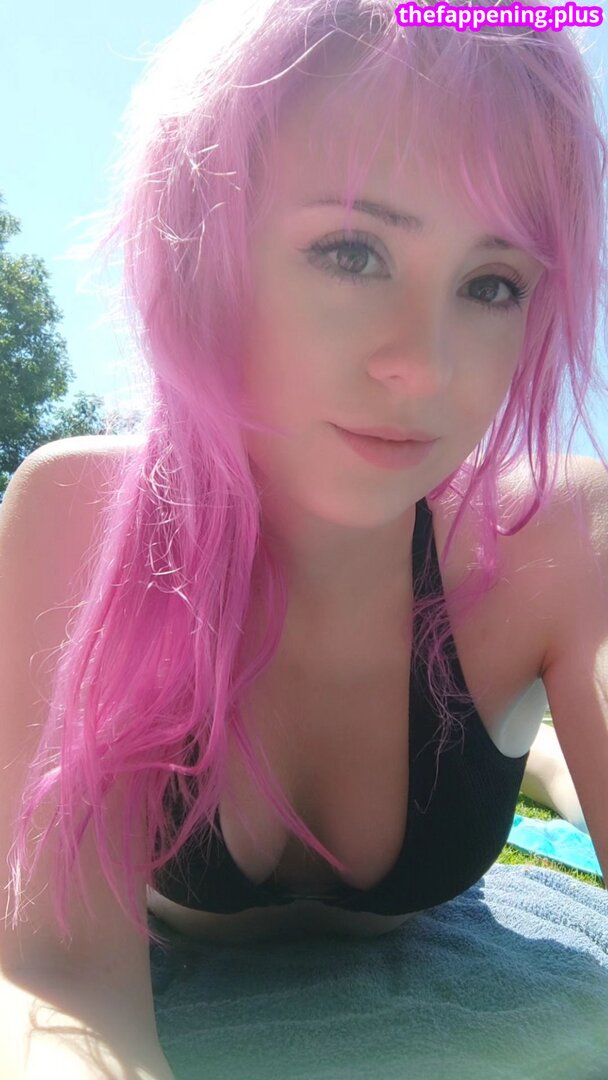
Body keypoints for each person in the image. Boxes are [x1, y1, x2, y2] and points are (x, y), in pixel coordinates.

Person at [1, 0, 607, 1075]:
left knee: (547, 761)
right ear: (205, 251)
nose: (423, 366)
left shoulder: (557, 530)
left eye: (491, 283)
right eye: (351, 251)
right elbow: (57, 975)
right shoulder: (81, 515)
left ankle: (543, 760)